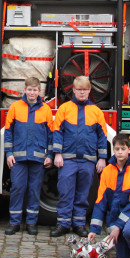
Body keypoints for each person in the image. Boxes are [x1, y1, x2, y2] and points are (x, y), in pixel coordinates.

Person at [51, 75, 107, 238]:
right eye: (79, 90)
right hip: (67, 159)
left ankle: (79, 224)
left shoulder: (96, 111)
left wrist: (102, 158)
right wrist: (57, 154)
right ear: (73, 90)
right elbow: (57, 132)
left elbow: (102, 136)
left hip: (88, 160)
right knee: (66, 192)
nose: (82, 93)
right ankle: (63, 224)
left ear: (90, 91)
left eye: (85, 90)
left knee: (83, 194)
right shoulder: (65, 109)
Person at [87, 135, 130, 258]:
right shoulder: (107, 171)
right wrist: (94, 229)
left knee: (129, 231)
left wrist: (118, 226)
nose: (120, 152)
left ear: (129, 150)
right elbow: (100, 202)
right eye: (117, 149)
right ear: (113, 150)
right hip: (116, 217)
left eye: (123, 148)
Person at [3, 77, 53, 236]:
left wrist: (50, 155)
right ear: (25, 90)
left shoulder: (45, 110)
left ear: (40, 91)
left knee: (34, 190)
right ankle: (14, 223)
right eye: (29, 90)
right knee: (17, 189)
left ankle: (31, 223)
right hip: (18, 159)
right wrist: (9, 153)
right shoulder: (15, 107)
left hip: (37, 159)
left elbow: (51, 135)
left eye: (35, 90)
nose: (32, 93)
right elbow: (8, 132)